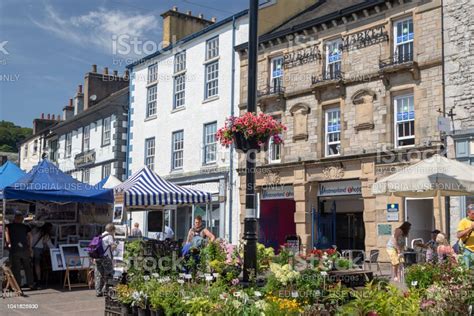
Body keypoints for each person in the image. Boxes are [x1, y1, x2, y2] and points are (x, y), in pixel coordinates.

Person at [5, 211, 37, 290]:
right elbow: (30, 236)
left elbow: (7, 236)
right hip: (25, 249)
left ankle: (17, 286)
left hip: (15, 250)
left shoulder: (9, 226)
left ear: (14, 218)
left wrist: (8, 244)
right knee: (28, 267)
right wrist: (30, 247)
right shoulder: (26, 226)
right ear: (22, 219)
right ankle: (31, 284)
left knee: (16, 268)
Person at [95, 223, 117, 297]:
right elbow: (112, 247)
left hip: (98, 258)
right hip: (106, 258)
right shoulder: (109, 236)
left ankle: (98, 291)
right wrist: (115, 245)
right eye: (114, 231)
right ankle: (107, 291)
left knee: (99, 274)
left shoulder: (101, 235)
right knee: (110, 274)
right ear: (112, 230)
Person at [457, 204, 474, 269]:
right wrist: (470, 229)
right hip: (467, 250)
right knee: (466, 270)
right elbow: (458, 235)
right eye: (473, 213)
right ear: (468, 213)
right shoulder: (463, 221)